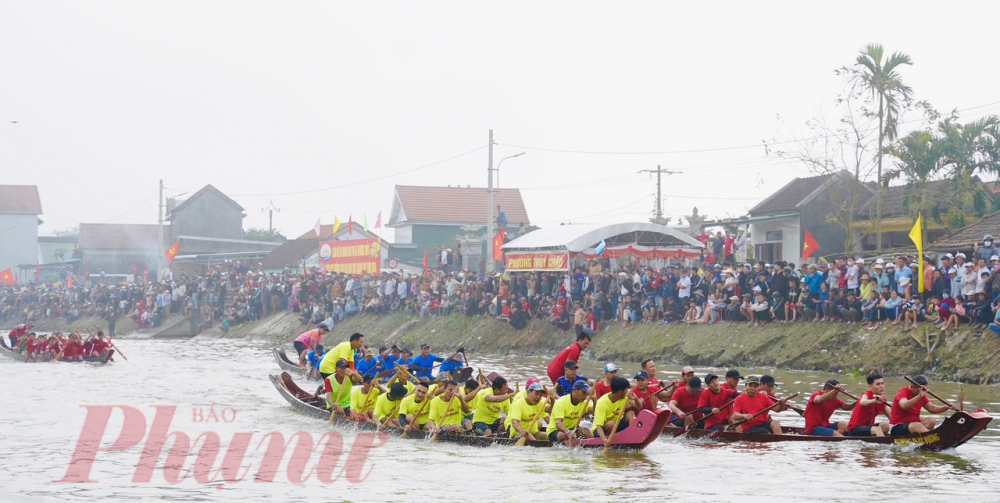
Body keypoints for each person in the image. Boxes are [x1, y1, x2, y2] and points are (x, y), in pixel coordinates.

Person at [889, 375, 958, 435]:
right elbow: (904, 406)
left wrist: (946, 407)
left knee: (931, 421)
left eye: (925, 389)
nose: (923, 391)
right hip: (897, 426)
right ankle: (933, 439)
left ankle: (923, 439)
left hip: (913, 425)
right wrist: (919, 396)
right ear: (912, 387)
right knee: (917, 426)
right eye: (921, 390)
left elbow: (932, 408)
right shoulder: (902, 393)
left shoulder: (921, 394)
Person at [593, 377, 637, 443]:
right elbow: (599, 426)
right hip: (601, 431)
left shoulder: (625, 397)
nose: (627, 392)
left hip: (617, 426)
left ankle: (632, 434)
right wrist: (605, 440)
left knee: (630, 413)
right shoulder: (602, 402)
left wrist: (635, 398)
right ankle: (612, 440)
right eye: (626, 390)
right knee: (610, 424)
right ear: (619, 392)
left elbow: (639, 406)